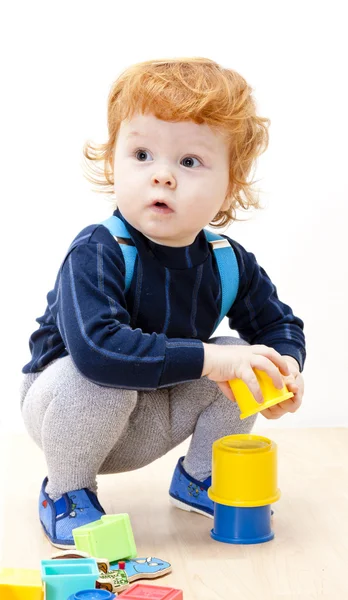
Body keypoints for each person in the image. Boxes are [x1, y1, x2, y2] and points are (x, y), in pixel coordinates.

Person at [20, 57, 305, 548]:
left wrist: (284, 369)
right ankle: (65, 491)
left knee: (246, 355)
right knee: (106, 376)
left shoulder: (227, 261)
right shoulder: (99, 250)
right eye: (142, 155)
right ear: (114, 161)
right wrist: (213, 358)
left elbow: (278, 326)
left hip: (149, 410)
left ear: (230, 186)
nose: (163, 177)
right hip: (68, 408)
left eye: (189, 162)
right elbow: (98, 351)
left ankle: (200, 478)